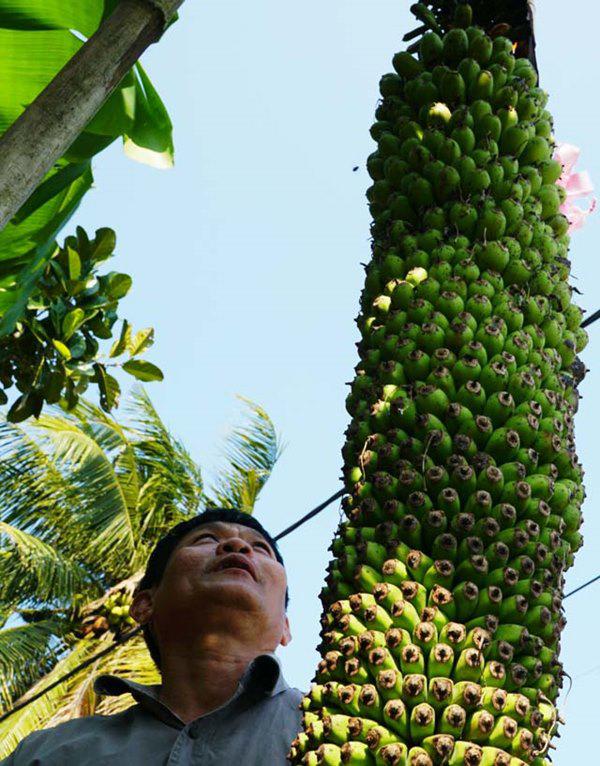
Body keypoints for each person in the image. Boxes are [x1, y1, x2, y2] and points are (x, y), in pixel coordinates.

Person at [1, 508, 303, 765]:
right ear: (144, 605)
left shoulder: (331, 723)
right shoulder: (46, 754)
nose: (238, 545)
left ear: (286, 628)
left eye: (260, 548)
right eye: (207, 539)